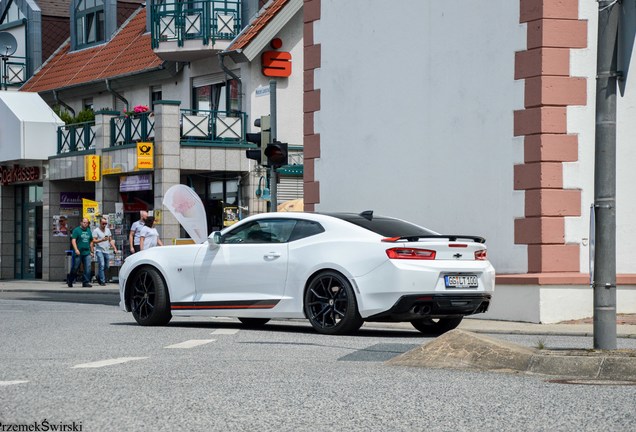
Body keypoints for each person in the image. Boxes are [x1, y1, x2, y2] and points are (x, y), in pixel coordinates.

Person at [93, 217, 119, 286]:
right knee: (101, 264)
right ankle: (102, 281)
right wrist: (101, 240)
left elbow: (110, 240)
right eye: (103, 223)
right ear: (100, 223)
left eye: (105, 223)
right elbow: (94, 241)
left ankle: (98, 276)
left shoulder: (108, 230)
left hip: (106, 250)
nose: (104, 225)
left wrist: (114, 248)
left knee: (107, 266)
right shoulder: (96, 230)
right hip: (99, 250)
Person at [69, 217, 94, 287]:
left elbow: (91, 240)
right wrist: (76, 249)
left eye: (87, 223)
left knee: (88, 267)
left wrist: (92, 251)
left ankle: (85, 282)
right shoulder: (77, 230)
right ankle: (70, 280)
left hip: (87, 252)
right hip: (78, 252)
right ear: (81, 223)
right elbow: (73, 240)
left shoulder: (89, 231)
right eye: (84, 222)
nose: (85, 224)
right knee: (75, 267)